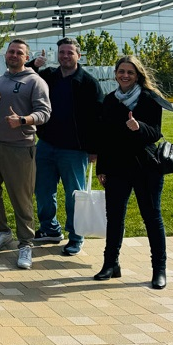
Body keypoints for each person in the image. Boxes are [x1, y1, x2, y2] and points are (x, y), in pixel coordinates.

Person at [94, 55, 173, 290]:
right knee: (114, 217)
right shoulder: (110, 100)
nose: (125, 75)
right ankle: (111, 264)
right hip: (117, 168)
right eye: (121, 71)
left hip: (146, 168)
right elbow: (103, 138)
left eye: (130, 72)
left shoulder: (149, 99)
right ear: (115, 74)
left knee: (152, 218)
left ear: (137, 75)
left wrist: (139, 127)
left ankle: (159, 270)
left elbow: (155, 133)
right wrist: (102, 169)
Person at [0, 39, 52, 270]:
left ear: (26, 56)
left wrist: (23, 120)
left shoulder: (35, 81)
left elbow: (44, 112)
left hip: (20, 147)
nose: (13, 55)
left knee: (21, 199)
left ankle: (25, 244)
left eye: (19, 52)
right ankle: (2, 231)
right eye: (10, 51)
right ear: (5, 55)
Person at [30, 39, 104, 256]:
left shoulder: (88, 82)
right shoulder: (49, 76)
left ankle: (76, 236)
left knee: (75, 196)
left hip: (74, 149)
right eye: (61, 52)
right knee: (42, 192)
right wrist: (35, 64)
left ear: (78, 56)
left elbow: (97, 118)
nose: (64, 56)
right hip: (46, 145)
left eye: (69, 52)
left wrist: (94, 148)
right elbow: (25, 76)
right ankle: (50, 229)